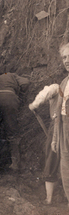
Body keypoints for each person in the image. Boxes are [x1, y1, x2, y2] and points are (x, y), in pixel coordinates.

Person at [29, 84, 60, 205]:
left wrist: (35, 105)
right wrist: (36, 104)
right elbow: (47, 92)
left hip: (60, 126)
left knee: (53, 158)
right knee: (53, 158)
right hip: (58, 125)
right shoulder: (59, 87)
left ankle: (50, 198)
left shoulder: (59, 87)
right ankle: (50, 198)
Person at [51, 42, 69, 207]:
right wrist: (55, 139)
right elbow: (57, 113)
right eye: (64, 57)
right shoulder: (64, 82)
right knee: (65, 168)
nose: (67, 60)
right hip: (64, 129)